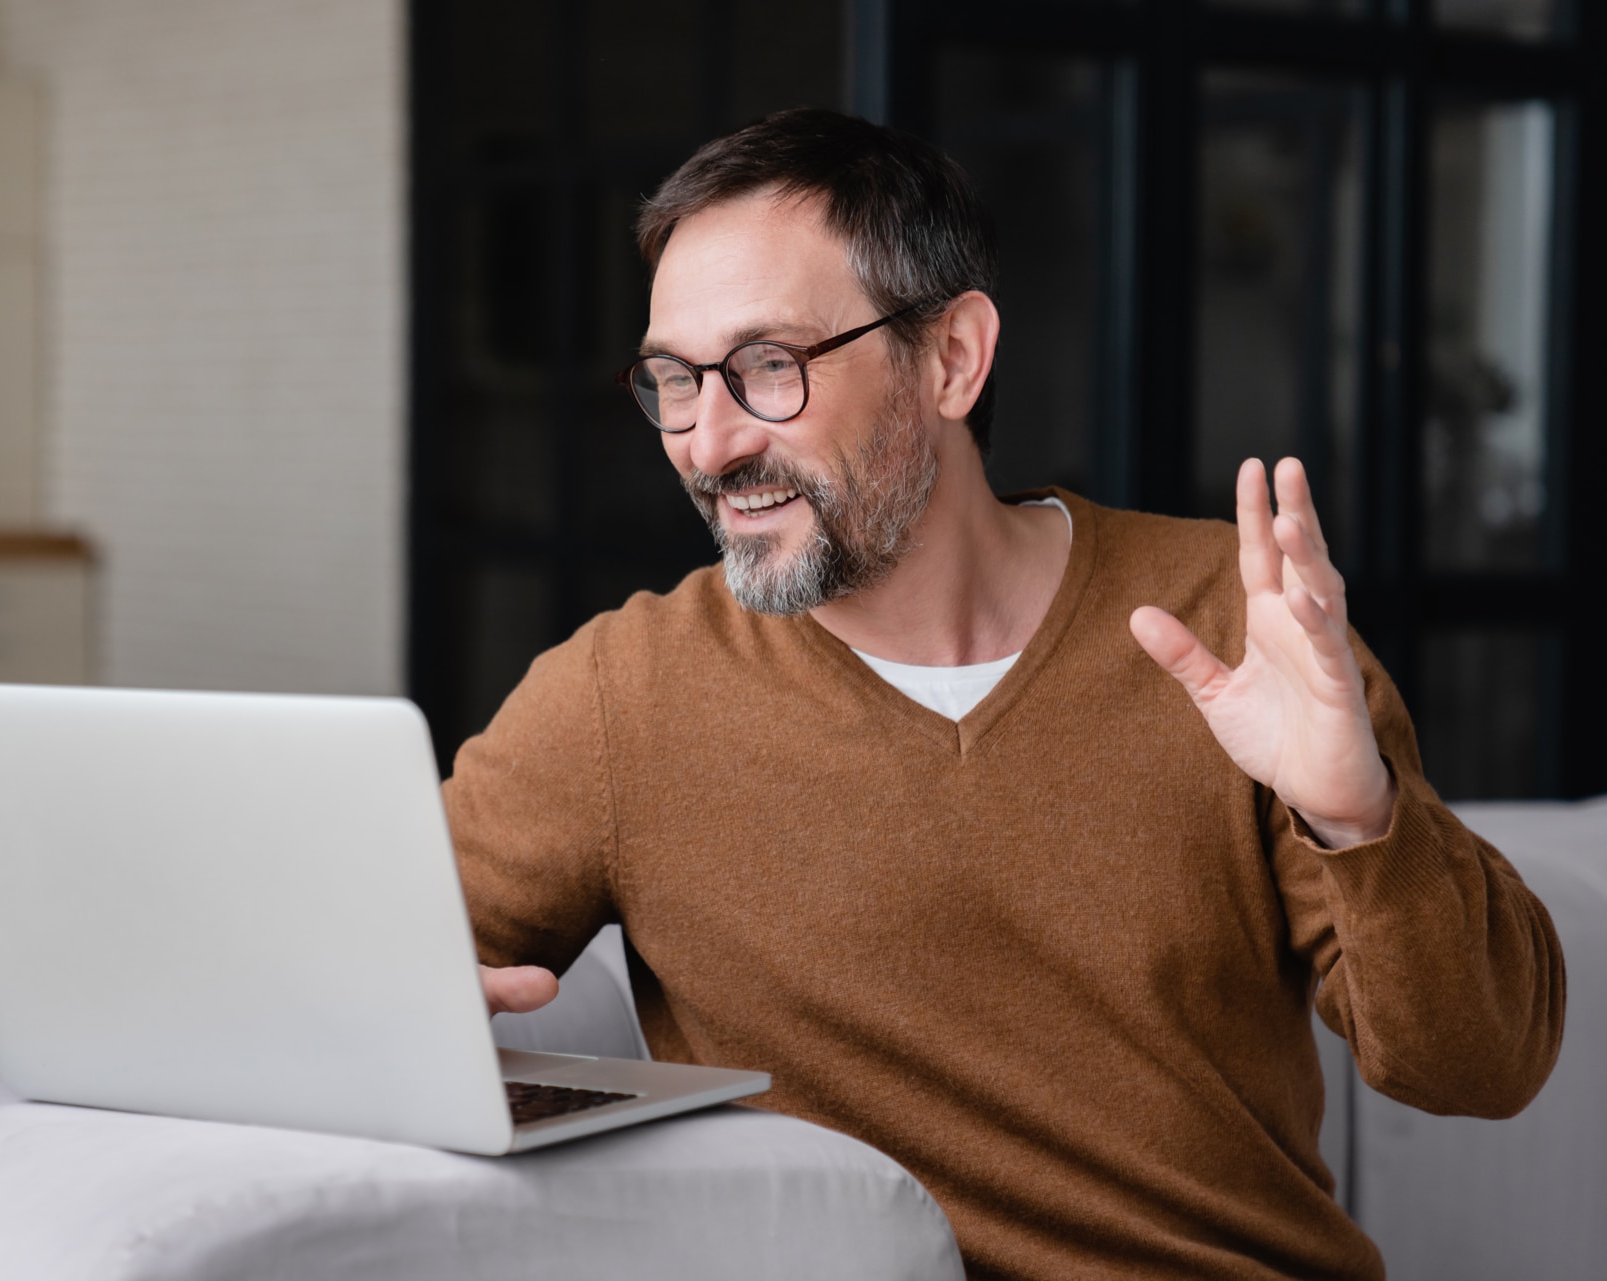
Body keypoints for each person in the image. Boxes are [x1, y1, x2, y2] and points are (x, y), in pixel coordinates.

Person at [447, 109, 1563, 1279]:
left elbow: (1482, 1068)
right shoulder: (622, 697)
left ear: (951, 359)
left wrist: (1360, 815)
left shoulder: (1234, 625)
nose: (706, 443)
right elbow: (344, 968)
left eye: (768, 367)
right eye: (675, 379)